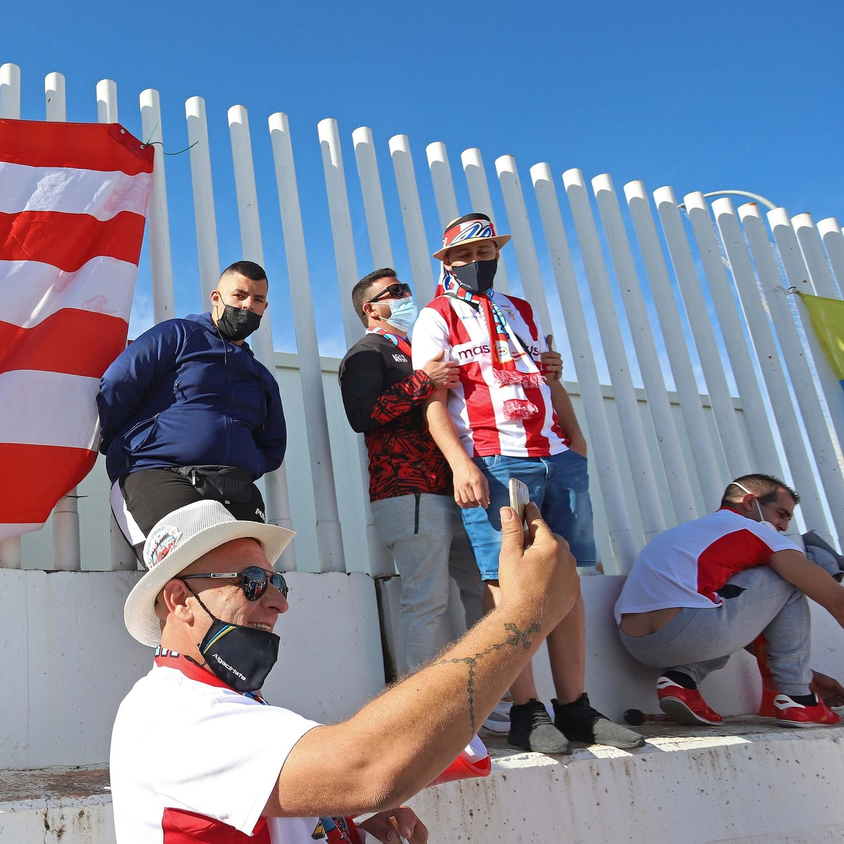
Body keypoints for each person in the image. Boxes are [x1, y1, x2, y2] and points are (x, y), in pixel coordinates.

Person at [109, 495, 581, 844]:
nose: (278, 603)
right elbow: (369, 766)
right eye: (253, 582)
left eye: (278, 582)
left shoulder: (216, 702)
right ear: (179, 601)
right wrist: (524, 614)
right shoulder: (169, 713)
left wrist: (335, 817)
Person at [411, 213, 642, 754]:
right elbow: (433, 403)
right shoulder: (434, 316)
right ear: (446, 262)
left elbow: (546, 376)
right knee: (507, 585)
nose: (476, 262)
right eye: (464, 255)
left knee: (566, 579)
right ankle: (526, 710)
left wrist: (576, 440)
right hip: (494, 459)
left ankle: (576, 707)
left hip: (556, 455)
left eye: (485, 252)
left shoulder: (523, 310)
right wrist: (461, 464)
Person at [339, 268, 485, 676]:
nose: (407, 296)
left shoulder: (420, 347)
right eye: (396, 292)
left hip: (456, 487)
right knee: (427, 601)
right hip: (408, 493)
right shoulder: (366, 352)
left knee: (481, 593)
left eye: (406, 288)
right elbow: (362, 413)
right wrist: (423, 380)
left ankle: (497, 702)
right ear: (371, 308)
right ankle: (418, 710)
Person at [616, 473, 844, 728]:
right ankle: (799, 699)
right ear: (749, 502)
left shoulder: (684, 533)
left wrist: (808, 674)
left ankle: (681, 680)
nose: (783, 526)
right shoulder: (754, 531)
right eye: (781, 513)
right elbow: (835, 599)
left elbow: (744, 626)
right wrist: (797, 680)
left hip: (636, 643)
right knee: (793, 576)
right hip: (691, 628)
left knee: (717, 599)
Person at [98, 260, 286, 554]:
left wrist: (244, 458)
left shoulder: (261, 377)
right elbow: (118, 382)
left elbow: (273, 446)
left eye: (258, 299)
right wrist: (128, 441)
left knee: (249, 580)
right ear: (217, 298)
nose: (248, 306)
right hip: (161, 475)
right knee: (191, 569)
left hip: (236, 488)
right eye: (239, 295)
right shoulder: (178, 335)